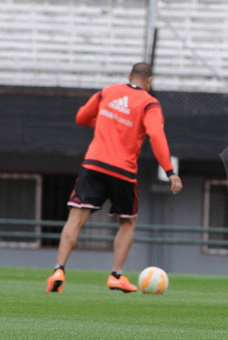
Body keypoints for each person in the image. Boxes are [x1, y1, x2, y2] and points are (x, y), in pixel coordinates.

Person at [46, 62, 183, 293]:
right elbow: (156, 136)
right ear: (149, 81)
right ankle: (116, 275)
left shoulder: (107, 92)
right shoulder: (149, 103)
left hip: (94, 163)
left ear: (129, 76)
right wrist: (169, 171)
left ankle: (59, 269)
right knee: (127, 221)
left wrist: (104, 120)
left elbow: (81, 117)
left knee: (76, 217)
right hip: (123, 170)